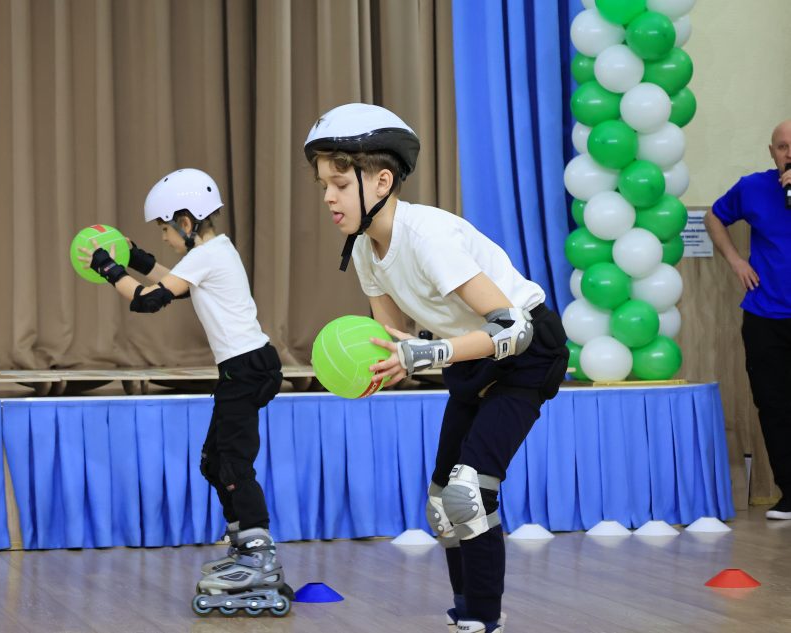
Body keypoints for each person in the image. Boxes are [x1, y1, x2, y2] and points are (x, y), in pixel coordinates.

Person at [304, 103, 568, 633]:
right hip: (472, 359)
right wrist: (375, 368)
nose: (328, 197)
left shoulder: (428, 237)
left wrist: (426, 354)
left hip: (528, 354)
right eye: (322, 185)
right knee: (443, 503)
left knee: (470, 490)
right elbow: (393, 341)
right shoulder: (362, 249)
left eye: (338, 182)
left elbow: (513, 329)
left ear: (381, 180)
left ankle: (482, 620)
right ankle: (466, 613)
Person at [79, 168, 292, 616]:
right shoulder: (211, 252)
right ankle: (242, 546)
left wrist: (108, 268)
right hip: (246, 367)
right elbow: (170, 281)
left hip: (247, 368)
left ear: (186, 222)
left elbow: (148, 299)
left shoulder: (210, 255)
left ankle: (260, 556)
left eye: (165, 229)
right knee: (214, 462)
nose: (166, 239)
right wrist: (135, 258)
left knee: (233, 462)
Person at [704, 118, 791, 521]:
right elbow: (714, 217)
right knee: (773, 404)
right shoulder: (753, 187)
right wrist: (736, 259)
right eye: (781, 146)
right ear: (771, 152)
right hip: (765, 315)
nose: (789, 152)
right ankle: (789, 492)